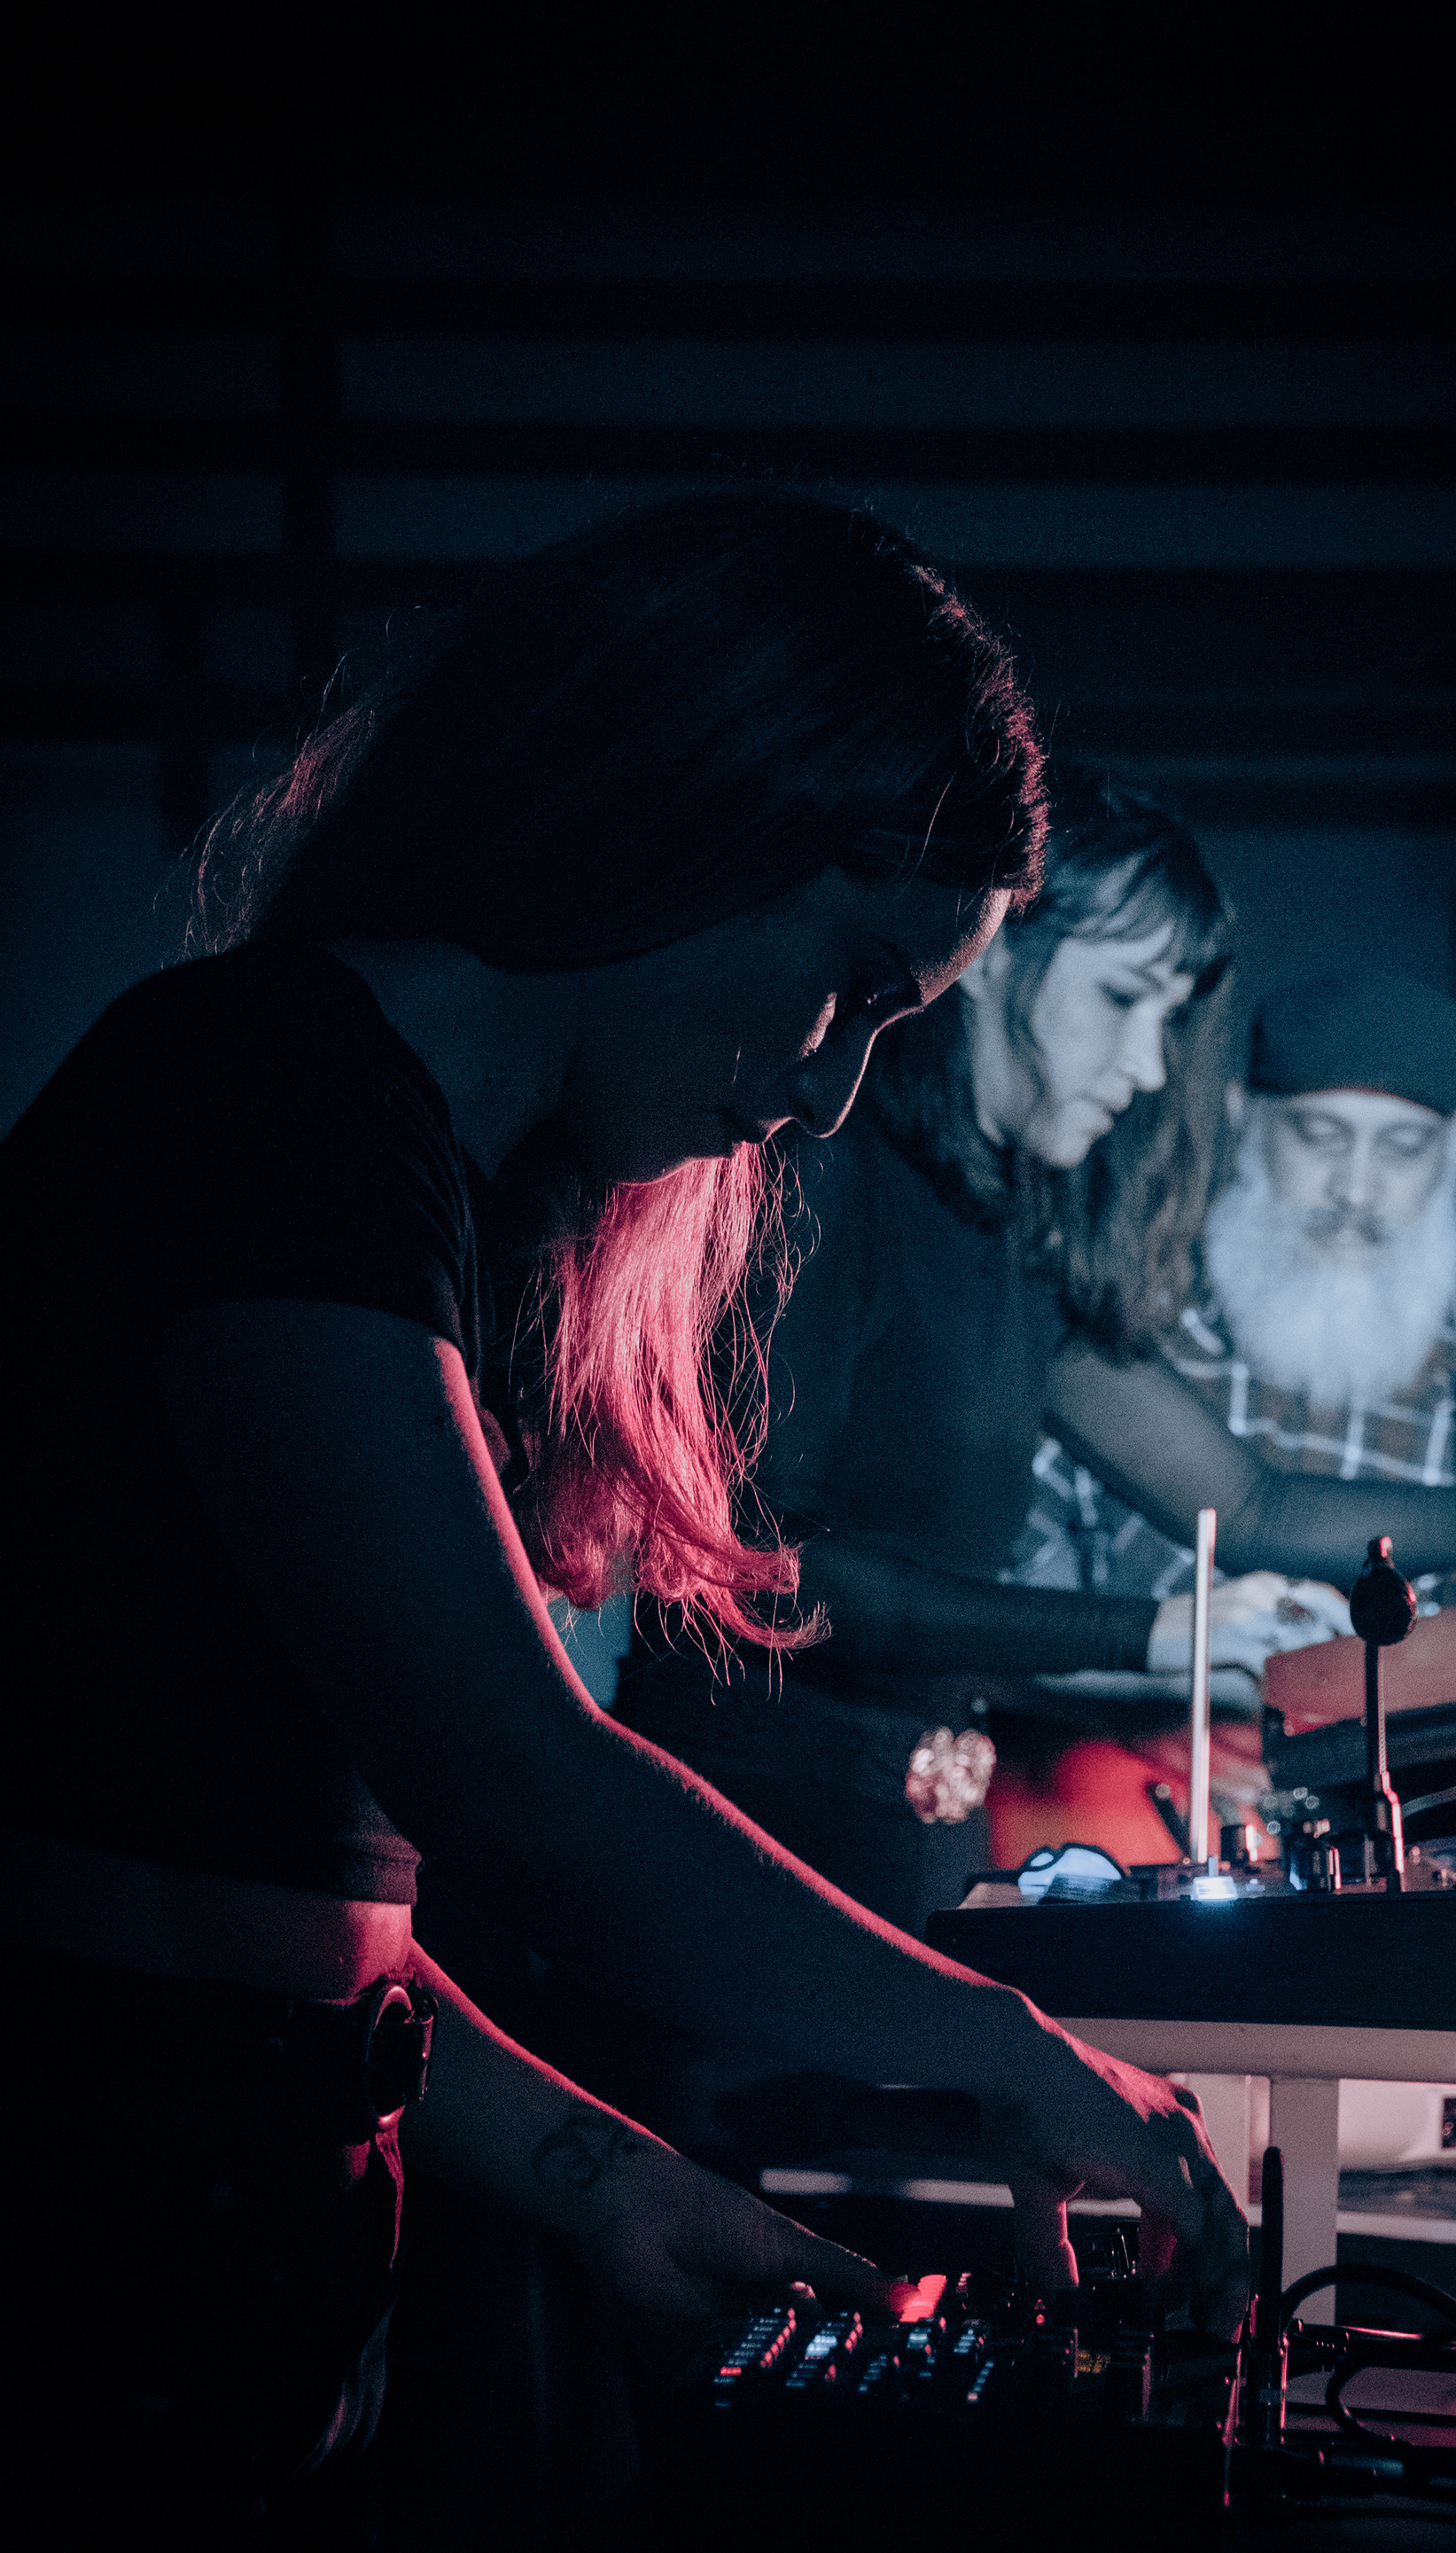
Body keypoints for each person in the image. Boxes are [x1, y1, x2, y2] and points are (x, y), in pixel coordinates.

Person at [0, 497, 1248, 2548]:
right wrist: (1015, 2050)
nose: (834, 1094)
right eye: (854, 984)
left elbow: (264, 1903)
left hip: (228, 2265)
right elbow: (517, 1786)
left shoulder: (428, 1182)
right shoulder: (267, 1098)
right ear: (691, 820)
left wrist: (608, 2182)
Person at [615, 777, 1456, 1945]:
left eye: (1168, 1017)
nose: (1145, 1066)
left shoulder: (1019, 1240)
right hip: (740, 1826)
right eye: (1123, 999)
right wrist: (1152, 1635)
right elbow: (760, 1567)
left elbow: (1251, 1502)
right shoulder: (827, 1169)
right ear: (991, 948)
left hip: (917, 1829)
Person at [1004, 969, 1456, 1869]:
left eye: (1402, 1146)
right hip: (1133, 1883)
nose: (1356, 1188)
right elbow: (984, 1624)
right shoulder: (1121, 1345)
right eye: (1319, 1137)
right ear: (1245, 1116)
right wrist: (1155, 1696)